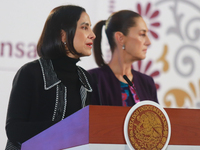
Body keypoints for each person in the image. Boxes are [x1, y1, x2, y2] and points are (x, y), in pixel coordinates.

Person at [5, 5, 96, 149]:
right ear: (63, 35)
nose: (92, 34)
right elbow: (14, 130)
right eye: (85, 27)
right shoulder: (30, 73)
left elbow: (96, 130)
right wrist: (66, 127)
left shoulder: (88, 80)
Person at [88, 10, 158, 106]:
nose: (148, 42)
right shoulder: (92, 79)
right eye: (142, 34)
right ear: (120, 38)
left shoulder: (147, 82)